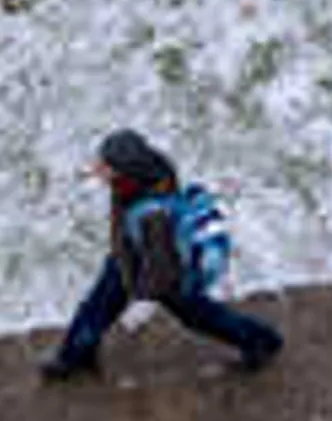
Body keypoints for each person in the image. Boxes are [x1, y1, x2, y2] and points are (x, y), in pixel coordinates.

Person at [40, 129, 284, 380]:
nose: (98, 168)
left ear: (126, 174)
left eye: (105, 166)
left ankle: (262, 340)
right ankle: (75, 355)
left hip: (168, 274)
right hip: (132, 252)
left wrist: (143, 302)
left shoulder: (153, 215)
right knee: (97, 305)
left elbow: (162, 268)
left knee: (200, 317)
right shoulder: (149, 171)